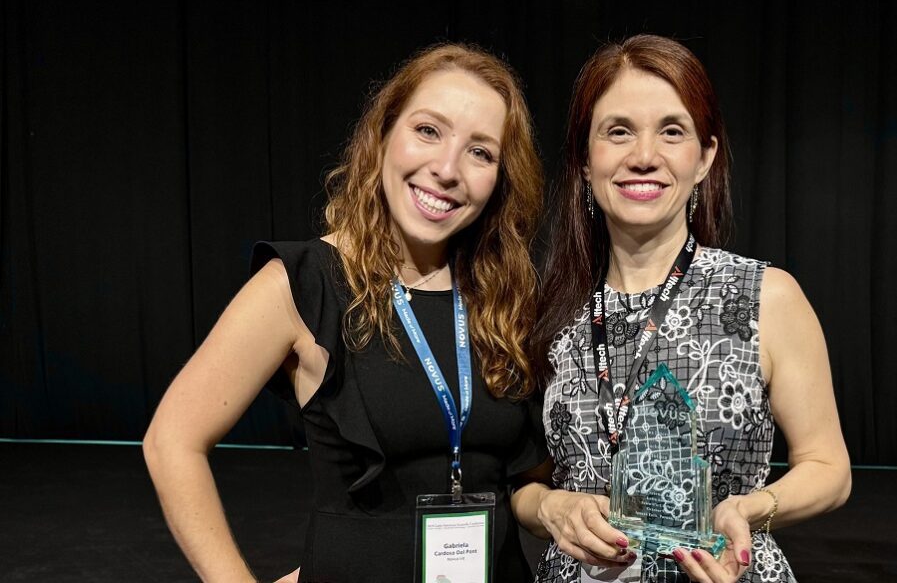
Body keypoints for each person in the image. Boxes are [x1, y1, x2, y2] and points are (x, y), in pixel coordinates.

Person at [143, 43, 548, 582]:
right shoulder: (306, 283)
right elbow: (172, 440)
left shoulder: (506, 296)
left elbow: (532, 478)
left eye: (481, 152)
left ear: (501, 177)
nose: (447, 169)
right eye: (428, 130)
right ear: (383, 134)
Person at [513, 35, 851, 582]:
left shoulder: (766, 296)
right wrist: (551, 508)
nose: (643, 156)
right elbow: (524, 484)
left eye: (672, 131)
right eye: (617, 131)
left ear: (704, 158)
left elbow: (830, 469)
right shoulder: (546, 313)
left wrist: (746, 510)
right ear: (583, 158)